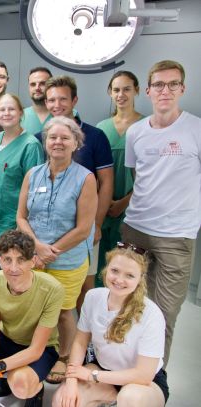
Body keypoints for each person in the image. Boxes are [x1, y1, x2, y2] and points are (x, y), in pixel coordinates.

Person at [121, 60, 201, 365]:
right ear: (149, 90)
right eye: (158, 84)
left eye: (172, 84)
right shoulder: (136, 132)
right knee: (127, 306)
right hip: (136, 230)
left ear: (182, 88)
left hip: (176, 237)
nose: (165, 90)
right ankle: (122, 372)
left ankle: (154, 380)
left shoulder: (196, 129)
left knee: (164, 315)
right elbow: (137, 177)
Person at [17, 116, 98, 384]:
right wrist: (36, 248)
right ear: (45, 142)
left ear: (76, 143)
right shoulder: (33, 174)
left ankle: (64, 357)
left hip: (68, 259)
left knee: (63, 312)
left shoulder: (85, 179)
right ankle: (39, 352)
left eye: (65, 138)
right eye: (52, 137)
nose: (58, 142)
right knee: (36, 309)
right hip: (34, 256)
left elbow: (83, 228)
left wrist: (50, 252)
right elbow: (21, 217)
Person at [53, 244, 169, 407]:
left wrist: (92, 375)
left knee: (130, 398)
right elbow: (80, 342)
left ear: (140, 279)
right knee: (62, 401)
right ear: (106, 269)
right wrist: (71, 381)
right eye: (115, 271)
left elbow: (143, 375)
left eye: (129, 275)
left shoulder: (151, 314)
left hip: (141, 383)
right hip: (103, 369)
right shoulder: (93, 297)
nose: (119, 280)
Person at [0, 230, 65, 407]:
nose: (13, 268)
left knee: (20, 384)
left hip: (40, 347)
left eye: (21, 260)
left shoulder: (53, 289)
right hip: (6, 339)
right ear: (0, 261)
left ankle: (36, 389)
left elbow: (36, 350)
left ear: (33, 261)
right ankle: (4, 377)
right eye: (7, 259)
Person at [41, 76, 114, 321]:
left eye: (63, 99)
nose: (57, 105)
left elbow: (106, 183)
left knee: (85, 287)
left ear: (74, 100)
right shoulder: (42, 136)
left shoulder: (95, 136)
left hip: (82, 229)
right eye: (51, 100)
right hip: (48, 234)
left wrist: (96, 224)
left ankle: (88, 337)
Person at [94, 71, 143, 288]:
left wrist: (124, 202)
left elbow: (149, 175)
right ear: (110, 93)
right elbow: (94, 171)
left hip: (133, 206)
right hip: (102, 205)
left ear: (136, 91)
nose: (121, 94)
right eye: (116, 90)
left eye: (126, 89)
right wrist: (104, 203)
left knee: (126, 263)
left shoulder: (145, 126)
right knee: (101, 262)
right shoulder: (101, 128)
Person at [0, 94, 43, 248]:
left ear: (21, 112)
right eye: (2, 110)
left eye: (11, 109)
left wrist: (22, 227)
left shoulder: (30, 146)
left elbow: (35, 194)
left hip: (14, 227)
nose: (6, 113)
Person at [21, 67, 52, 135]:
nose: (37, 88)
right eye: (33, 84)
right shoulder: (20, 116)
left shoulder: (67, 113)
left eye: (42, 83)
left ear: (51, 86)